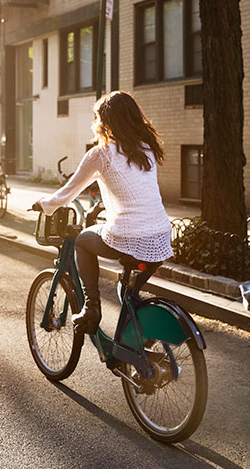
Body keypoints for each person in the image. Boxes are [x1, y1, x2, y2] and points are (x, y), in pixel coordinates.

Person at [35, 91, 173, 334]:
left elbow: (68, 194)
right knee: (129, 294)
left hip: (128, 236)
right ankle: (141, 347)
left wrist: (44, 204)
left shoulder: (101, 154)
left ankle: (92, 308)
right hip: (160, 237)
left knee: (82, 241)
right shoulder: (146, 148)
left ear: (106, 121)